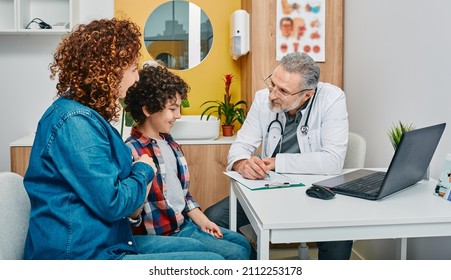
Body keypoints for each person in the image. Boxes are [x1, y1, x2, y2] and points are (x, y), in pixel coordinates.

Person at [23, 18, 223, 260]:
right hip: (81, 255)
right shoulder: (75, 122)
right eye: (132, 70)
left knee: (203, 252)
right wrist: (143, 169)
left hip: (110, 240)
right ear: (108, 71)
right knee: (210, 261)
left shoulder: (86, 118)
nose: (136, 78)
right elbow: (114, 203)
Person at [204, 52, 352, 260]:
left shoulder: (331, 99)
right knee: (213, 219)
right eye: (272, 84)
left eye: (282, 91)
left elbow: (333, 161)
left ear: (307, 94)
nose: (272, 94)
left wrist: (276, 162)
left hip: (314, 189)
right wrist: (241, 164)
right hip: (267, 188)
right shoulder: (262, 98)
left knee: (339, 234)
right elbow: (240, 147)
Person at [123, 63, 251, 260]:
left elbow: (182, 195)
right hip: (158, 236)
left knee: (241, 243)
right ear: (148, 109)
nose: (179, 115)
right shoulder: (130, 151)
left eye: (179, 107)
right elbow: (131, 213)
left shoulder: (170, 143)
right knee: (234, 254)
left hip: (182, 225)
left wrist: (202, 220)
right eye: (172, 108)